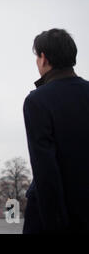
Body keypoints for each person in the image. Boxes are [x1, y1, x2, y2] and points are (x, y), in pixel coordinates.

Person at [23, 29, 89, 233]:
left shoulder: (38, 100)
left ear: (43, 58)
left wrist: (54, 223)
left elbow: (45, 169)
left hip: (56, 215)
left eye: (36, 56)